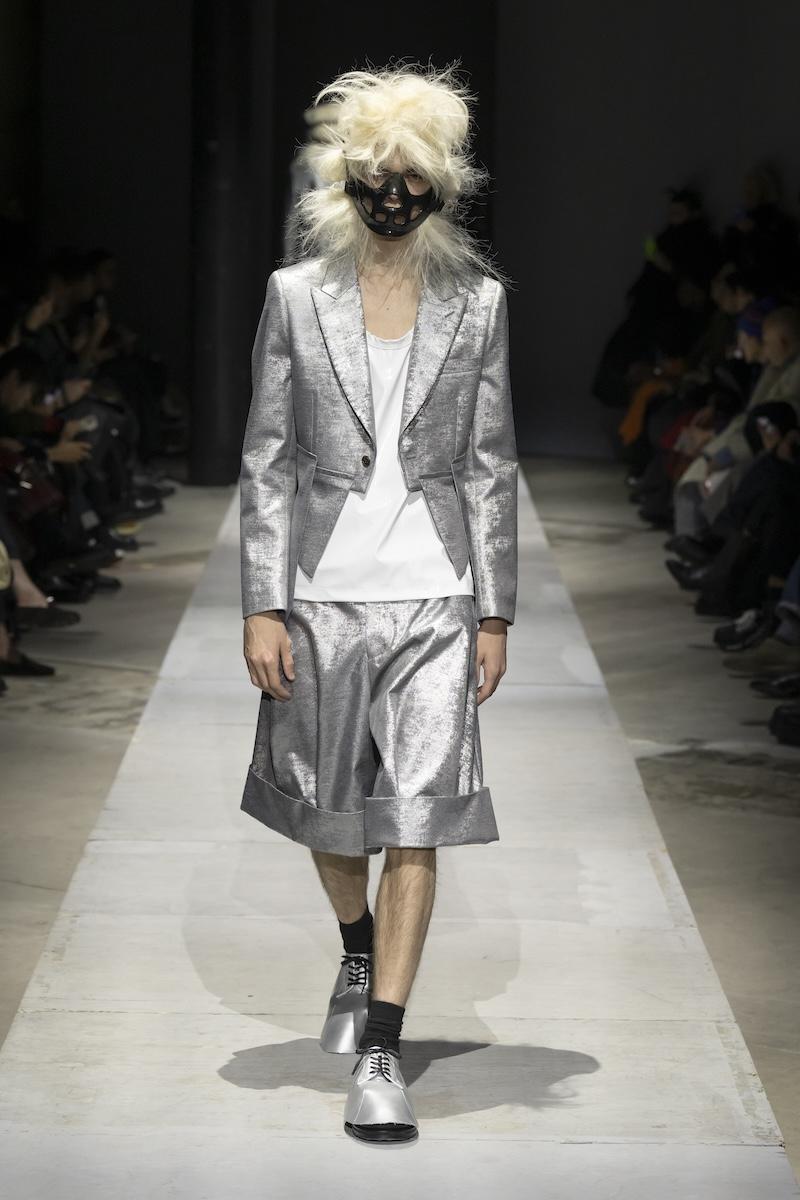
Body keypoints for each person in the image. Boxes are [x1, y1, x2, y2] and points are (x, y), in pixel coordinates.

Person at [238, 62, 518, 1145]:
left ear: (441, 183)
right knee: (327, 807)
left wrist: (492, 612)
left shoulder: (477, 304)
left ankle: (384, 1048)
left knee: (416, 818)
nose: (393, 196)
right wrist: (263, 603)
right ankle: (355, 945)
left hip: (436, 594)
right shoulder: (294, 296)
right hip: (321, 593)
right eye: (375, 176)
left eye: (412, 178)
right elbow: (267, 457)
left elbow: (488, 462)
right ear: (345, 179)